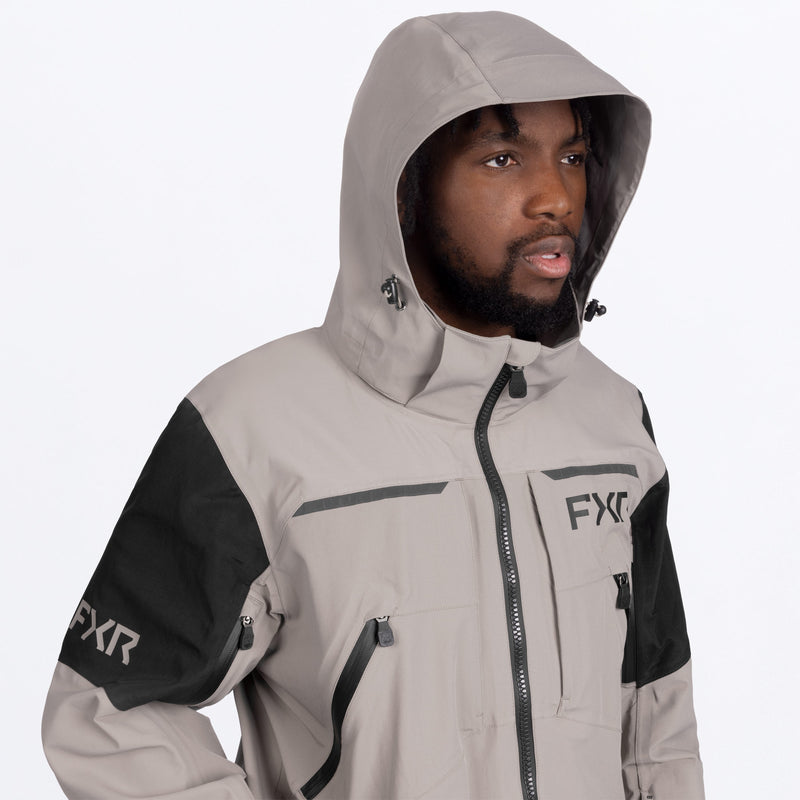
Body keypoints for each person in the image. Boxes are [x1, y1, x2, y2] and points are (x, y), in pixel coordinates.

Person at [42, 11, 704, 800]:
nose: (556, 197)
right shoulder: (249, 429)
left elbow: (656, 723)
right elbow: (108, 714)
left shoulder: (612, 417)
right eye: (502, 158)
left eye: (573, 156)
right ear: (404, 192)